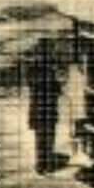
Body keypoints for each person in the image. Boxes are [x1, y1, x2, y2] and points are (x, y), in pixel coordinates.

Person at [27, 38, 65, 175]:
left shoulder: (33, 68)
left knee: (40, 138)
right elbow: (57, 90)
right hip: (48, 108)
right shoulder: (49, 70)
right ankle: (47, 164)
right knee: (48, 137)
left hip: (37, 109)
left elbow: (31, 85)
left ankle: (40, 164)